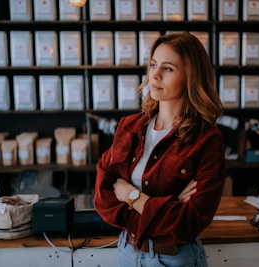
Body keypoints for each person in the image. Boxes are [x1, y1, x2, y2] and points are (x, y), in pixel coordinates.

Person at [94, 31, 226, 267]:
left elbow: (188, 222)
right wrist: (168, 206)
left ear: (190, 77)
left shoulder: (206, 140)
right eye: (153, 65)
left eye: (167, 68)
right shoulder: (129, 126)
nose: (154, 75)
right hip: (127, 251)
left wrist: (130, 195)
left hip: (174, 259)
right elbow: (103, 199)